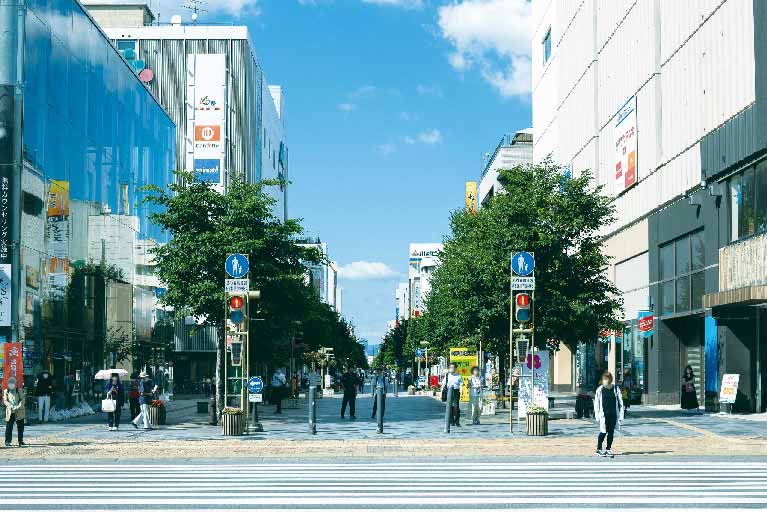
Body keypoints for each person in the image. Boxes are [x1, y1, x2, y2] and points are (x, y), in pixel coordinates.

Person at [593, 371, 624, 458]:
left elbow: (620, 402)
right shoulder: (600, 389)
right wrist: (597, 415)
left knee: (611, 432)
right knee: (603, 432)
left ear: (610, 379)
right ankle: (598, 449)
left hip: (613, 414)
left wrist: (621, 415)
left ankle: (608, 449)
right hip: (604, 414)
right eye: (603, 379)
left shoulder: (615, 389)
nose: (604, 381)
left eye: (606, 379)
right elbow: (596, 403)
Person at [3, 377, 26, 447]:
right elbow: (5, 401)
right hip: (10, 411)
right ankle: (7, 441)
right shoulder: (6, 391)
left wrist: (18, 406)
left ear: (15, 384)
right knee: (9, 427)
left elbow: (23, 400)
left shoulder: (19, 391)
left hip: (19, 411)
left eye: (13, 384)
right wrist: (11, 406)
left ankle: (20, 440)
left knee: (20, 427)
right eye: (10, 384)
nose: (11, 385)